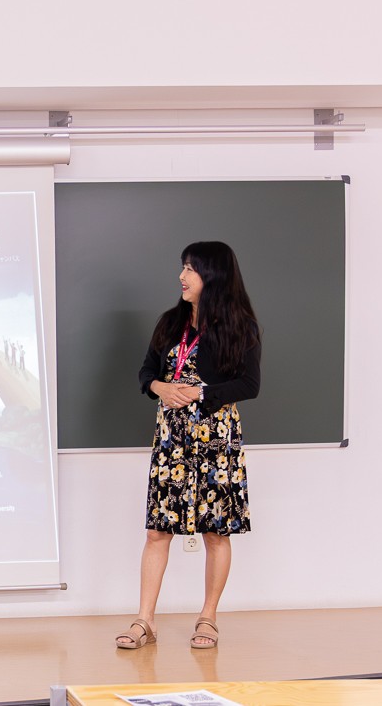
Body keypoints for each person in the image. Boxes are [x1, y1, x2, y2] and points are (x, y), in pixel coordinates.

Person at [116, 241, 261, 651]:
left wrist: (200, 392)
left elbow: (249, 384)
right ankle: (145, 621)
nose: (182, 276)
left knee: (216, 532)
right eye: (183, 267)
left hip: (217, 441)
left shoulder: (240, 326)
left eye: (191, 269)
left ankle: (208, 617)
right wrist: (160, 387)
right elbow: (146, 371)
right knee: (157, 531)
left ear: (213, 275)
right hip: (172, 441)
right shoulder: (170, 321)